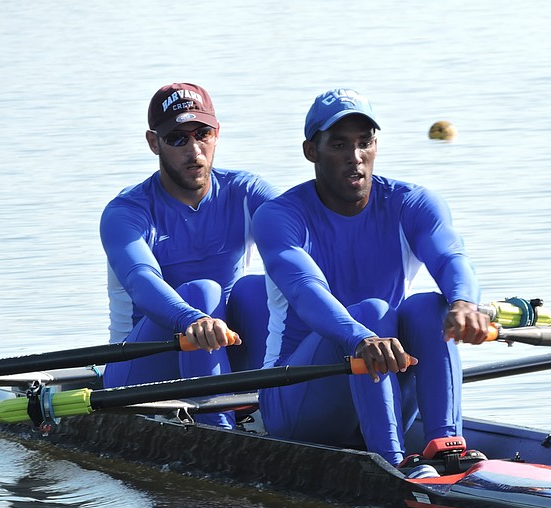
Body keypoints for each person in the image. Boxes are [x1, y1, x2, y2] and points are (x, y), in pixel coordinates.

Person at [252, 88, 490, 471]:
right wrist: (359, 337)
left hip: (382, 377)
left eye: (365, 143)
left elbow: (450, 257)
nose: (355, 158)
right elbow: (305, 290)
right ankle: (393, 463)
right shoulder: (279, 217)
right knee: (374, 312)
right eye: (340, 145)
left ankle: (445, 446)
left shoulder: (412, 202)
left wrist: (465, 303)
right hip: (297, 400)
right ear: (311, 151)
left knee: (431, 305)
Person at [100, 82, 277, 428]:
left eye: (202, 133)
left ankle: (258, 408)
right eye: (177, 138)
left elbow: (303, 246)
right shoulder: (127, 212)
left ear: (217, 133)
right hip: (141, 370)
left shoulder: (246, 192)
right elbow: (141, 280)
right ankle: (222, 432)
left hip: (225, 351)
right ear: (154, 143)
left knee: (255, 290)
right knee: (203, 292)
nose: (194, 150)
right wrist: (191, 320)